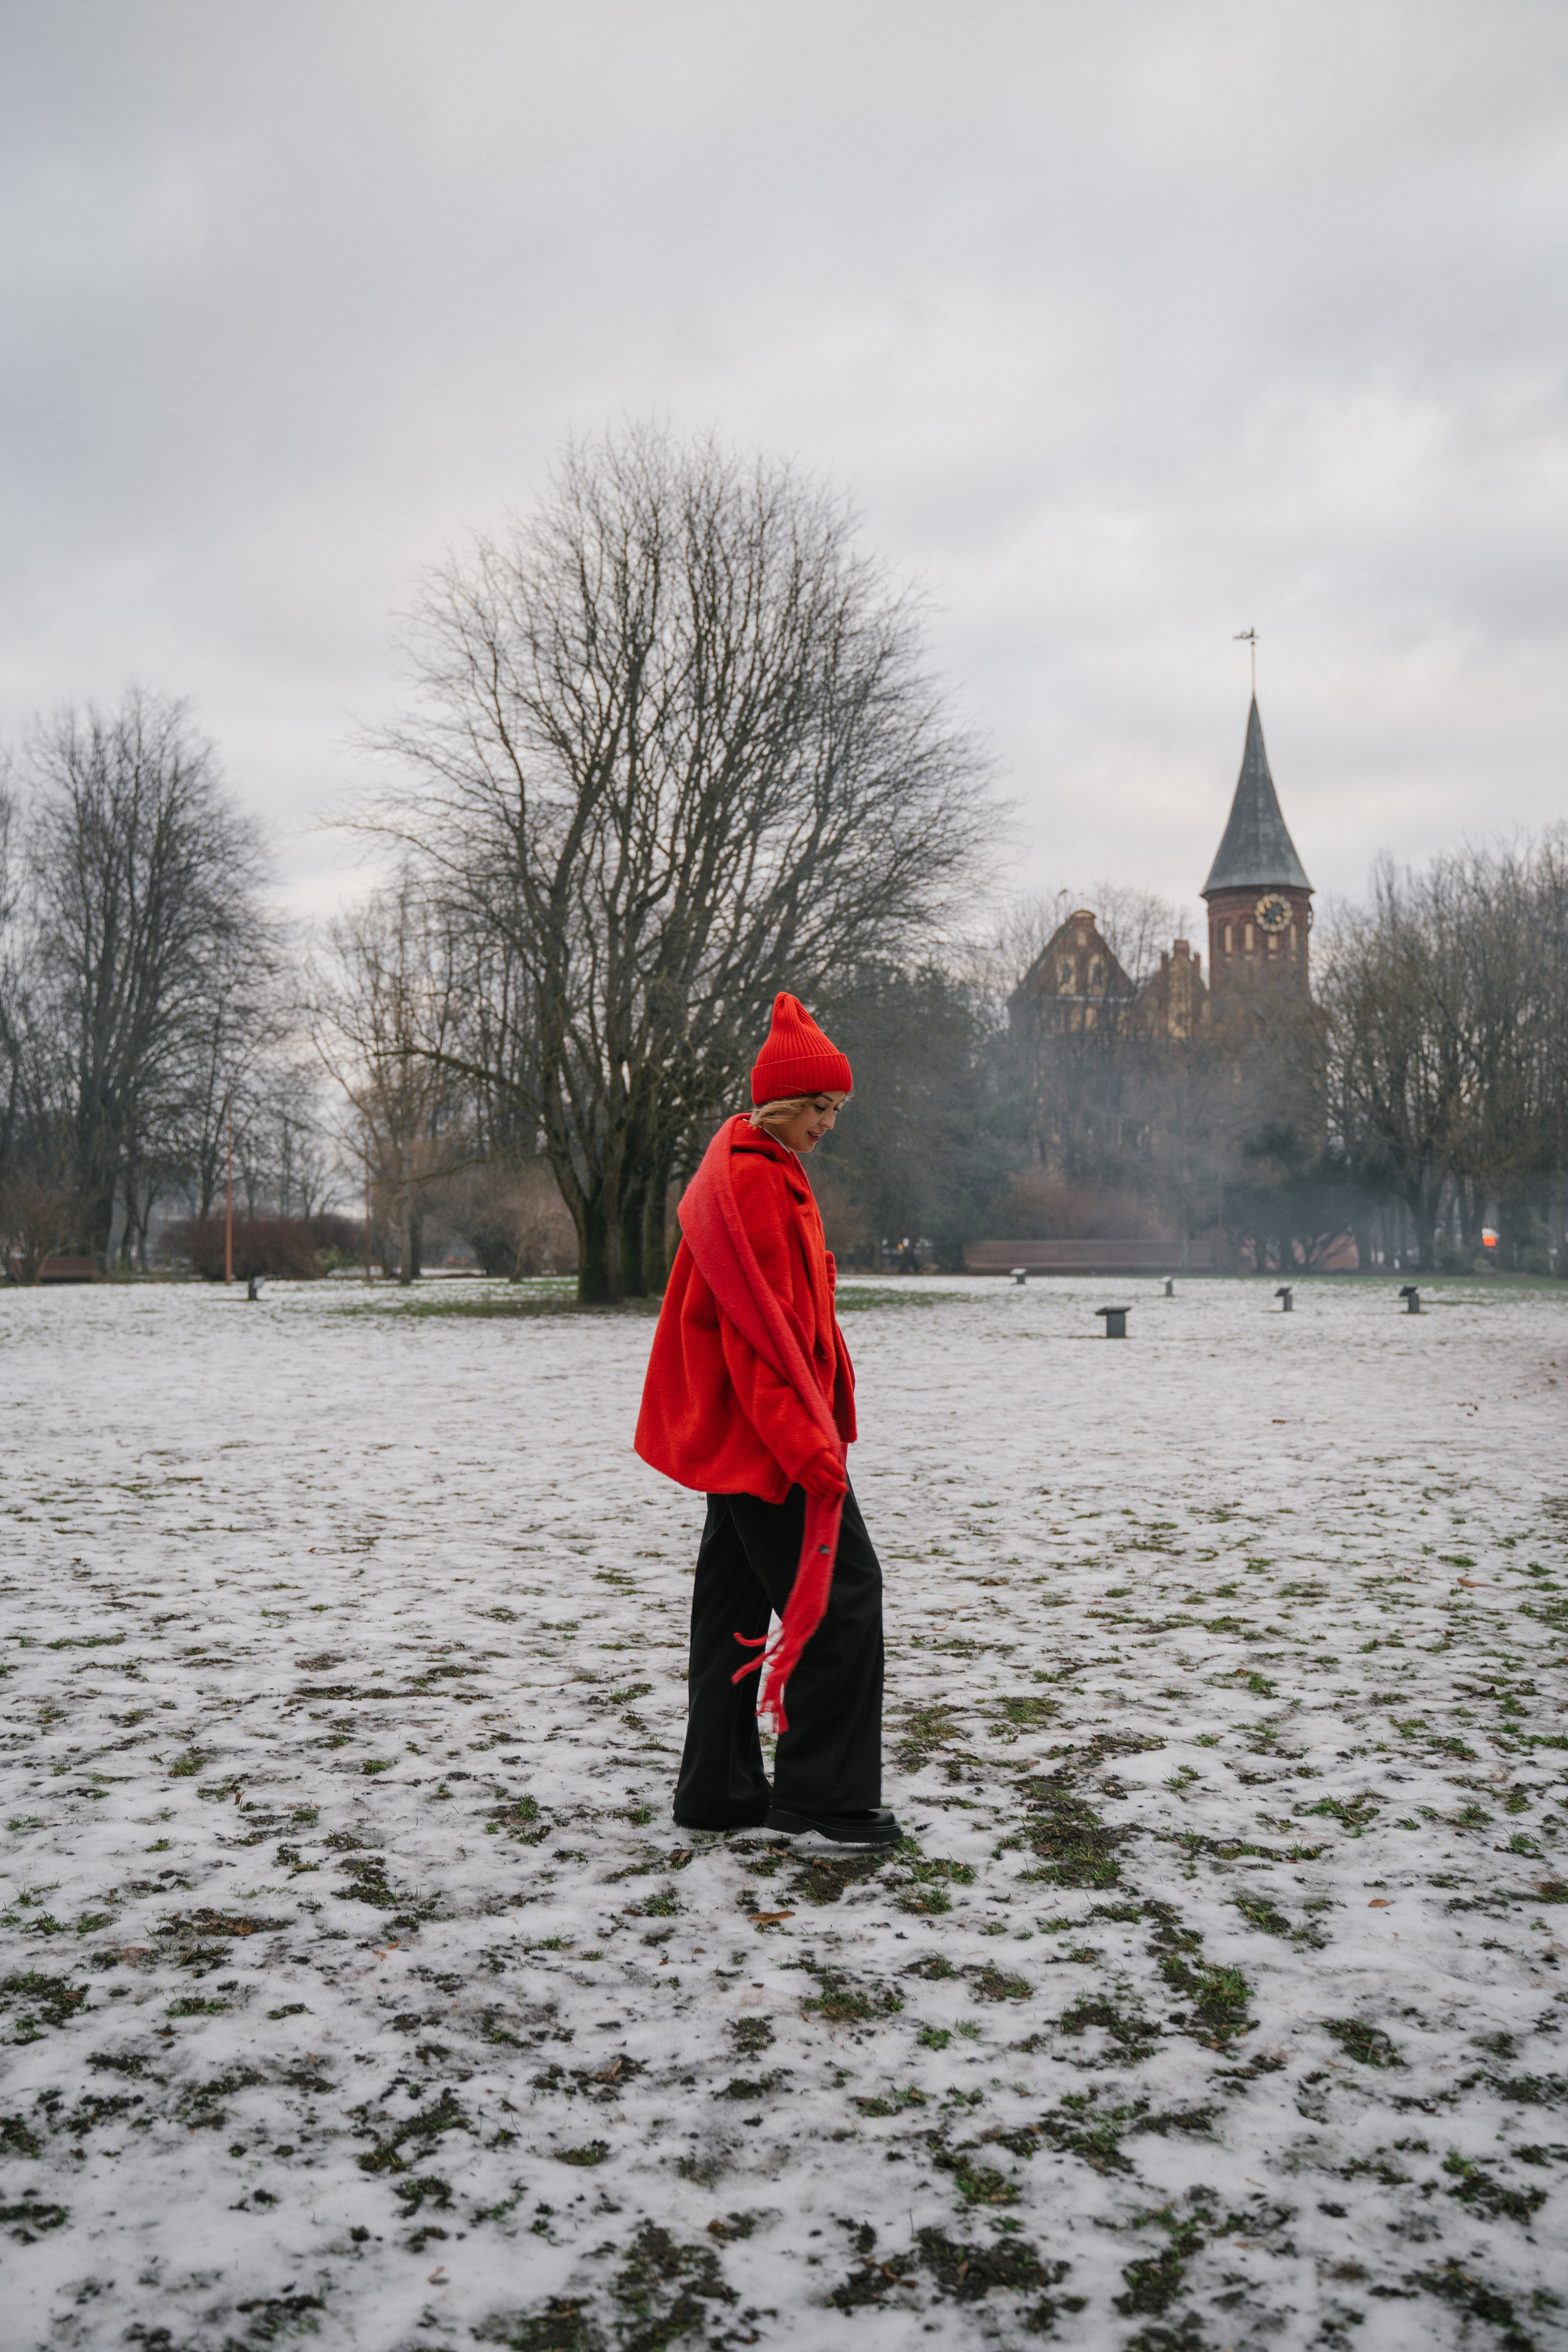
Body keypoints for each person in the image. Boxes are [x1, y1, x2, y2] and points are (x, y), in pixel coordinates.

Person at [635, 992, 897, 1848]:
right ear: (781, 1100)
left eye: (835, 1108)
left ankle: (717, 1790)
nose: (828, 1122)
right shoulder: (753, 1179)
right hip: (766, 1436)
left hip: (741, 1431)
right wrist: (809, 1448)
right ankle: (823, 1796)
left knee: (735, 1609)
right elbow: (760, 1334)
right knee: (845, 1596)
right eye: (819, 1105)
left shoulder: (753, 1166)